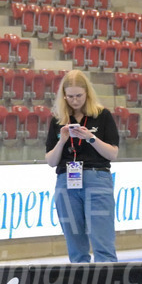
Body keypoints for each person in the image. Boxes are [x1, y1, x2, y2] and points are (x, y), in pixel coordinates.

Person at [44, 70, 120, 263]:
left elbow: (112, 154)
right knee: (76, 247)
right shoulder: (58, 120)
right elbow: (51, 161)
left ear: (87, 93)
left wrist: (90, 138)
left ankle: (108, 282)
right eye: (70, 97)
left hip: (97, 179)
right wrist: (62, 141)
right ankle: (81, 281)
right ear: (64, 96)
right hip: (67, 181)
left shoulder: (102, 115)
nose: (75, 100)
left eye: (79, 95)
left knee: (103, 243)